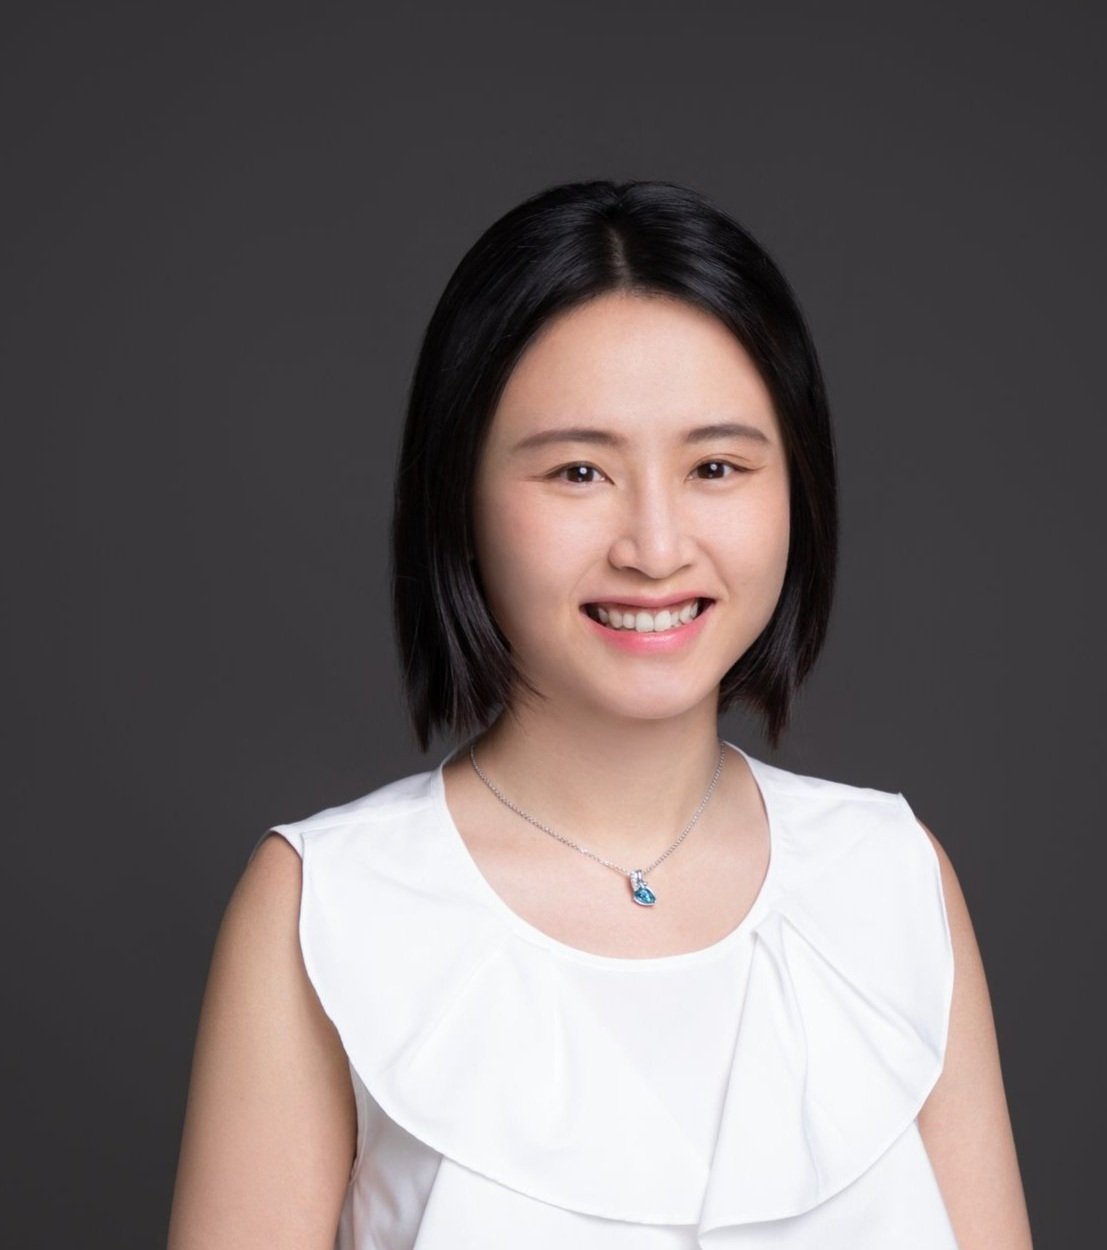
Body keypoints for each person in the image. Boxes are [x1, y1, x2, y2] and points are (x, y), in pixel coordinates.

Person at [167, 179, 1033, 1249]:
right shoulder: (326, 906)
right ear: (458, 497)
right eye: (579, 470)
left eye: (716, 465)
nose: (655, 545)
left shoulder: (891, 875)